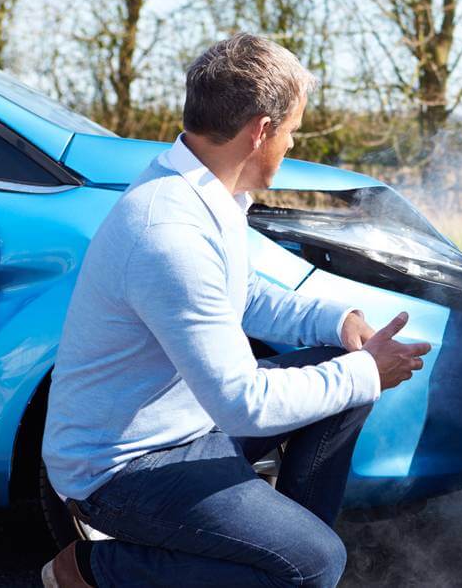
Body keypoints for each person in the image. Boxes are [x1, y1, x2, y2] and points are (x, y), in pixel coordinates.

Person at [39, 33, 430, 588]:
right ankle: (92, 570)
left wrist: (340, 323)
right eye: (292, 130)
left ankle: (281, 563)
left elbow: (240, 298)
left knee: (335, 367)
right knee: (318, 562)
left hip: (186, 424)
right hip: (122, 470)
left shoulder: (204, 193)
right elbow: (243, 404)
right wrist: (367, 371)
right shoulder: (168, 231)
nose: (292, 145)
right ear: (262, 130)